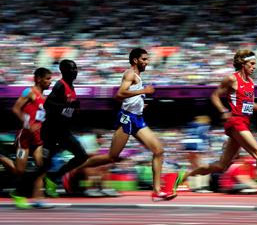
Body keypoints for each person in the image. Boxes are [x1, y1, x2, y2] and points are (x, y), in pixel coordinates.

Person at [172, 49, 257, 208]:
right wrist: (223, 111)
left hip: (244, 122)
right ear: (243, 63)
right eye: (252, 64)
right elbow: (215, 96)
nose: (254, 67)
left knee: (221, 166)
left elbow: (248, 107)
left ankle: (184, 175)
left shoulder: (250, 83)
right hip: (236, 122)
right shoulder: (231, 79)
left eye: (255, 64)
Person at [64, 48, 174, 201]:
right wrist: (144, 90)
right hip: (127, 118)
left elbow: (130, 98)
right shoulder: (130, 74)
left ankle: (156, 191)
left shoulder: (138, 77)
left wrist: (141, 103)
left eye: (147, 59)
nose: (147, 62)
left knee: (159, 151)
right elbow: (119, 95)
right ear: (135, 60)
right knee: (111, 157)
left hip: (138, 118)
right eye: (144, 59)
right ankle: (74, 170)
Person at [39, 59, 89, 197]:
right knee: (45, 163)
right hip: (51, 130)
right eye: (71, 69)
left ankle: (53, 178)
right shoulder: (60, 85)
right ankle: (29, 189)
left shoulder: (71, 87)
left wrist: (75, 109)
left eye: (76, 68)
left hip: (63, 131)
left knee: (82, 156)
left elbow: (68, 110)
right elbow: (48, 105)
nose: (75, 71)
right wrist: (68, 107)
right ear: (63, 71)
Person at [8, 67, 53, 209]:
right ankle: (2, 159)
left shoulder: (44, 98)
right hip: (25, 137)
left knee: (42, 166)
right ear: (39, 79)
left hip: (37, 138)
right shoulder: (29, 92)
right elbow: (15, 109)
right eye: (47, 79)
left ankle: (38, 198)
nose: (49, 82)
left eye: (50, 79)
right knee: (19, 171)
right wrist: (27, 124)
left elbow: (41, 118)